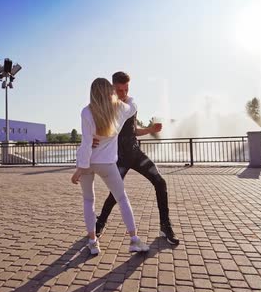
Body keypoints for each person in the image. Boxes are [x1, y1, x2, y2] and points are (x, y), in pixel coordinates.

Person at [94, 71, 180, 245]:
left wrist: (150, 130)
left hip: (135, 154)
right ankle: (100, 223)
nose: (123, 93)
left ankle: (165, 225)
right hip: (120, 158)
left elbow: (133, 130)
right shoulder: (107, 107)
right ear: (112, 88)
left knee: (160, 182)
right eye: (119, 90)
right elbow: (100, 129)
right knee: (115, 193)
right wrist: (93, 138)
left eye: (126, 89)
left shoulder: (131, 103)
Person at [71, 77, 150, 255]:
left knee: (88, 200)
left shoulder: (86, 112)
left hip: (88, 163)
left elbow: (86, 144)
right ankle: (134, 240)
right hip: (107, 163)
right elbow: (133, 105)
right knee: (122, 199)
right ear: (111, 91)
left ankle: (93, 242)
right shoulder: (121, 109)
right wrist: (126, 97)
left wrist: (80, 169)